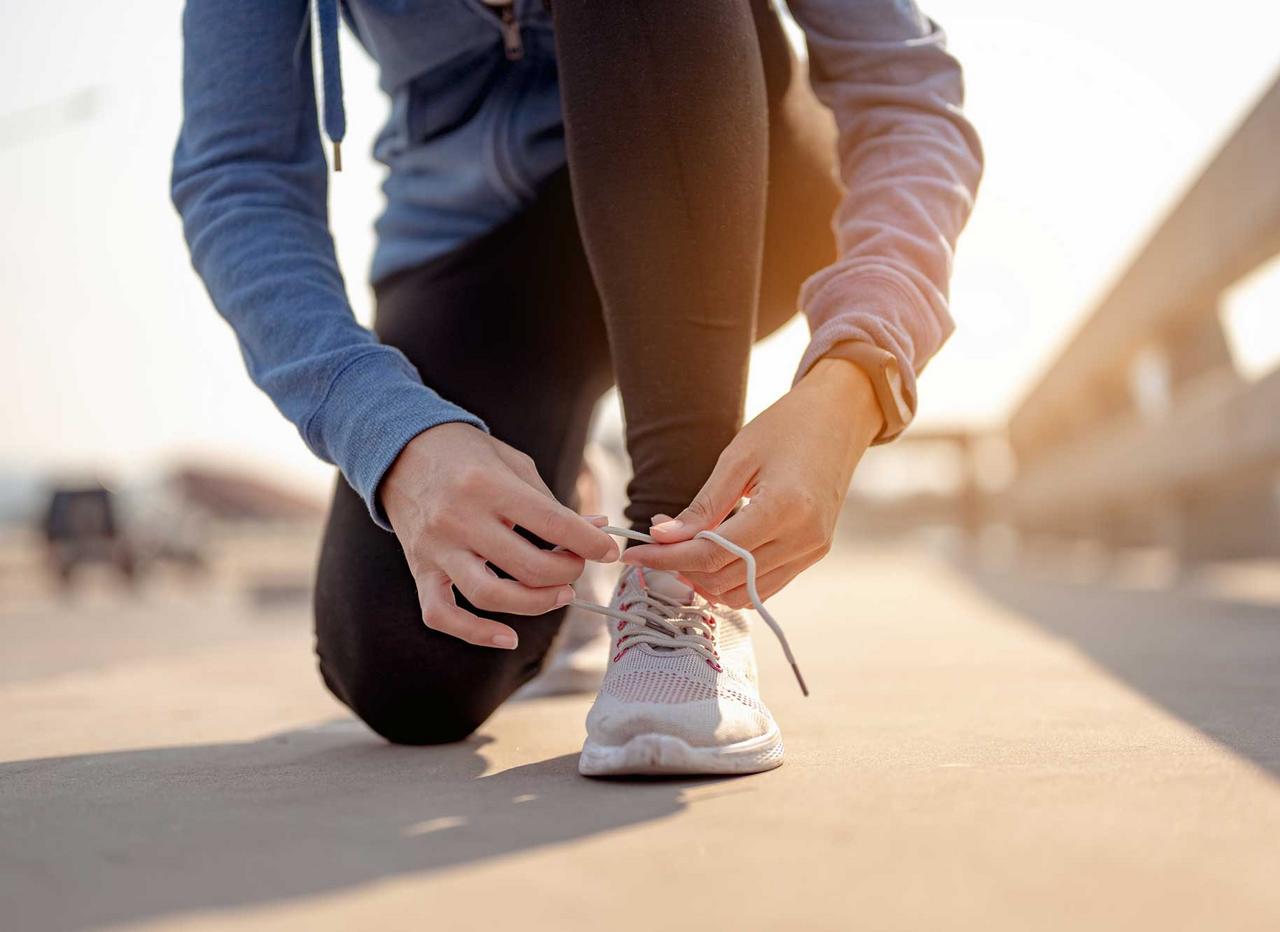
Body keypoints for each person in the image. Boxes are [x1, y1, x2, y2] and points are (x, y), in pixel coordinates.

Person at [172, 0, 982, 776]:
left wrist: (858, 375)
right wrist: (390, 432)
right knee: (407, 669)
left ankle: (675, 573)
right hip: (479, 250)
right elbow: (238, 176)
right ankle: (579, 492)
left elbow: (907, 93)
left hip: (732, 174)